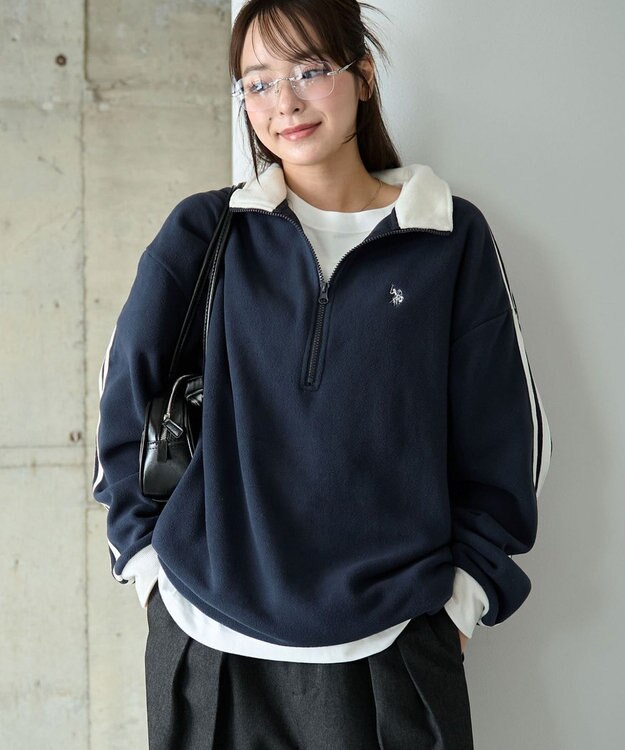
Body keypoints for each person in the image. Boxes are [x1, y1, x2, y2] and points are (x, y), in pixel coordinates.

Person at [92, 0, 553, 748]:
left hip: (396, 644)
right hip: (208, 642)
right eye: (257, 82)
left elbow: (508, 438)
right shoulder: (206, 232)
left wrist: (460, 607)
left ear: (363, 77)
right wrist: (146, 571)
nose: (284, 102)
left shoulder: (447, 236)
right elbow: (121, 408)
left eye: (308, 71)